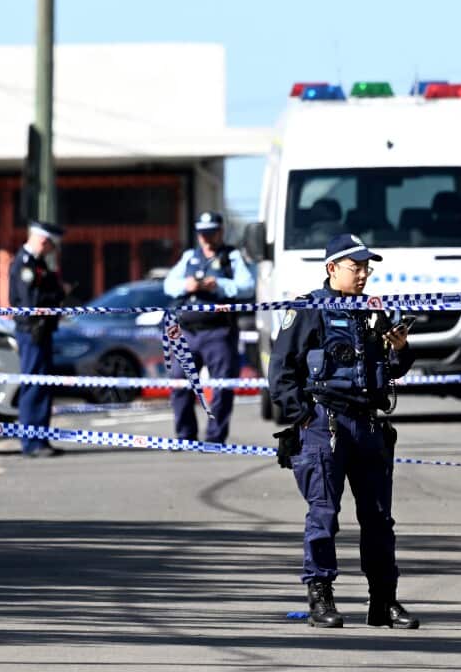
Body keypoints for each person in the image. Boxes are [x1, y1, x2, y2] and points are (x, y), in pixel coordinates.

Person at [268, 233, 419, 630]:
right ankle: (320, 596)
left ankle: (383, 601)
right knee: (323, 514)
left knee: (379, 518)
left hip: (368, 423)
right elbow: (281, 372)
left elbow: (395, 367)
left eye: (368, 267)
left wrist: (399, 349)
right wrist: (303, 417)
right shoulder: (307, 310)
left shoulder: (372, 310)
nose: (365, 274)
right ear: (332, 268)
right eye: (357, 267)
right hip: (325, 424)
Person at [163, 211, 255, 444]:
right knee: (179, 383)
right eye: (201, 233)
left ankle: (215, 438)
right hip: (187, 331)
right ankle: (185, 436)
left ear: (220, 231)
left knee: (222, 386)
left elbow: (247, 286)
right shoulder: (189, 257)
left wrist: (220, 286)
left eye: (210, 233)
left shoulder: (232, 256)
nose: (205, 238)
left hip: (218, 332)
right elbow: (168, 285)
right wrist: (187, 285)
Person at [9, 221, 67, 458]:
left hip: (42, 331)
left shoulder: (37, 263)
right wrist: (55, 295)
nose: (51, 251)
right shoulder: (24, 263)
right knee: (33, 384)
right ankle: (32, 442)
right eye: (51, 246)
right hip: (32, 331)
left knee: (43, 384)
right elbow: (32, 302)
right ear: (44, 241)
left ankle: (40, 438)